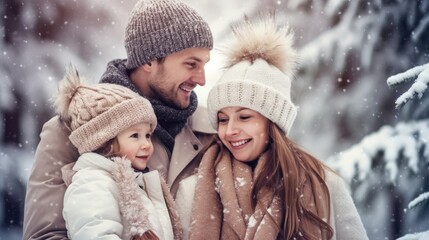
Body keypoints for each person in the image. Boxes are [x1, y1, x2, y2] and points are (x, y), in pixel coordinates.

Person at [22, 0, 213, 239]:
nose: (201, 79)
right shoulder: (71, 131)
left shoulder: (215, 130)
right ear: (149, 60)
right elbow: (45, 235)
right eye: (191, 64)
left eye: (204, 64)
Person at [185, 16, 369, 240]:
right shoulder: (197, 185)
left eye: (244, 117)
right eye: (223, 119)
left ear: (273, 122)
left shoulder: (324, 184)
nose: (230, 130)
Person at [55, 66, 181, 240]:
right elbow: (96, 234)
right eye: (135, 136)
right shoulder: (92, 184)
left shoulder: (133, 183)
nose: (146, 144)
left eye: (148, 135)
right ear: (105, 141)